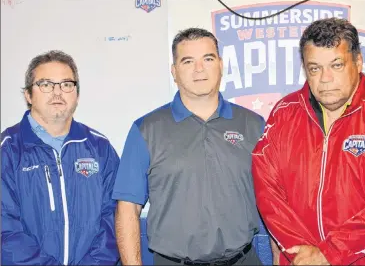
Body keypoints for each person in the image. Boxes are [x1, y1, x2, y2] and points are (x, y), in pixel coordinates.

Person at [252, 17, 365, 265]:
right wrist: (304, 254)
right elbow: (267, 189)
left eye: (336, 65)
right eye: (315, 68)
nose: (325, 78)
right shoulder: (284, 113)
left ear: (358, 62)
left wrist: (329, 253)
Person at [112, 27, 266, 265]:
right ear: (174, 71)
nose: (199, 69)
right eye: (187, 61)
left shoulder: (253, 125)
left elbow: (276, 201)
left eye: (208, 58)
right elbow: (128, 209)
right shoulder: (146, 129)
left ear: (221, 64)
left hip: (243, 259)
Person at [1, 50, 120, 265]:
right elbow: (5, 230)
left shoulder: (99, 148)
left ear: (76, 94)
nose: (57, 92)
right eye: (46, 85)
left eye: (66, 84)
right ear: (28, 95)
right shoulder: (7, 150)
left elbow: (114, 219)